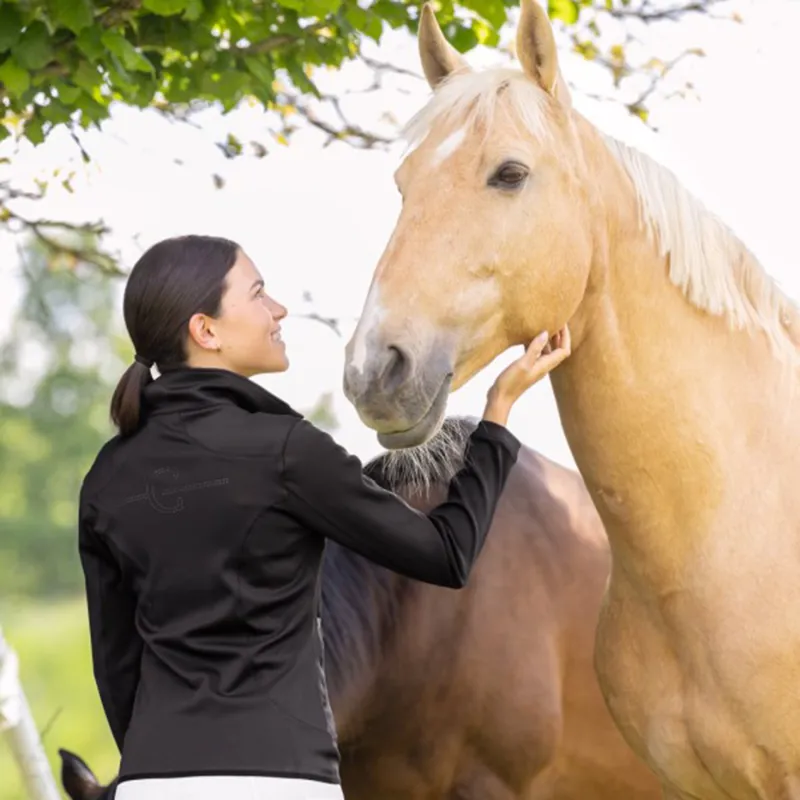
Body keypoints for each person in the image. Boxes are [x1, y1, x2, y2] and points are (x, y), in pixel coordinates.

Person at [78, 234, 571, 800]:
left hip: (152, 781)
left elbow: (115, 664)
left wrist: (153, 766)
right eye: (258, 294)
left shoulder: (107, 478)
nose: (278, 309)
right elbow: (447, 553)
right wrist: (499, 414)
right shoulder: (287, 451)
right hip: (282, 780)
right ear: (205, 330)